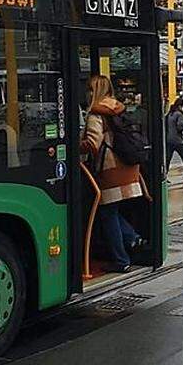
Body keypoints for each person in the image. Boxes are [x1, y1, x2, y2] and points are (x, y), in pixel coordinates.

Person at [82, 74, 145, 273]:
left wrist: (71, 146)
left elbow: (92, 144)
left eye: (90, 89)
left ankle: (121, 259)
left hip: (111, 171)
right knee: (112, 211)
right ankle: (133, 238)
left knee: (107, 213)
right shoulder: (118, 108)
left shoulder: (96, 114)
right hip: (129, 167)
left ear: (95, 91)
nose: (87, 93)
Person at [165, 97, 183, 171]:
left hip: (169, 139)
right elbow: (180, 126)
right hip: (178, 140)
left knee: (167, 159)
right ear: (180, 106)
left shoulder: (170, 113)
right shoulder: (179, 114)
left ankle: (164, 175)